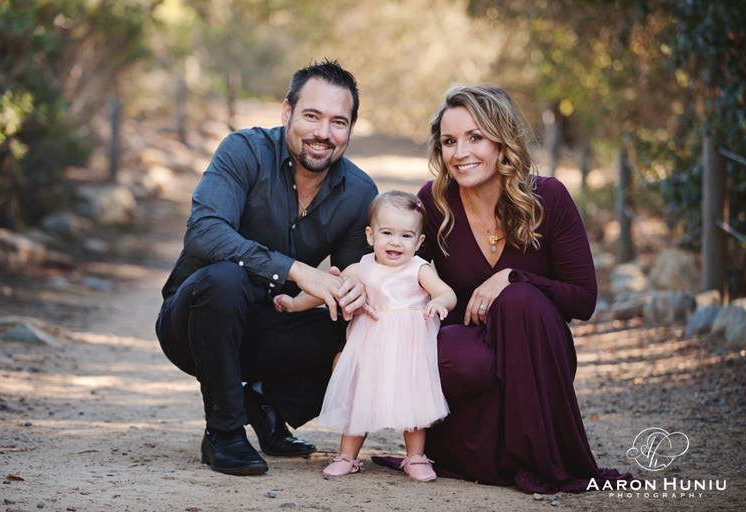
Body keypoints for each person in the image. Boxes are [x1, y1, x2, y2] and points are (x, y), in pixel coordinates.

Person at [155, 59, 379, 476]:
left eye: (338, 122)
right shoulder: (243, 151)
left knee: (367, 325)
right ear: (286, 112)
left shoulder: (359, 192)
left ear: (351, 128)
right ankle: (224, 432)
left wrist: (356, 290)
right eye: (311, 116)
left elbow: (352, 284)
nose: (323, 134)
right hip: (194, 323)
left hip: (269, 329)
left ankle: (270, 402)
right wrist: (297, 270)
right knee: (225, 277)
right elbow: (204, 233)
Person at [413, 85, 633, 492]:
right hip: (471, 368)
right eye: (449, 141)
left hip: (536, 357)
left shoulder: (547, 198)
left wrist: (515, 277)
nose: (460, 152)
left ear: (503, 140)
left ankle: (540, 450)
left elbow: (584, 301)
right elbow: (399, 270)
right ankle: (474, 452)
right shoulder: (434, 203)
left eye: (475, 137)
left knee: (519, 298)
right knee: (450, 354)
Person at [274, 191, 457, 482]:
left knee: (414, 398)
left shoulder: (418, 269)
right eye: (387, 233)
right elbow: (329, 289)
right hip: (368, 348)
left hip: (408, 349)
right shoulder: (361, 268)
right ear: (371, 236)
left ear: (420, 242)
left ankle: (415, 457)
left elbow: (447, 293)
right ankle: (347, 455)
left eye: (406, 235)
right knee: (360, 396)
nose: (396, 242)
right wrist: (295, 304)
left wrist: (439, 302)